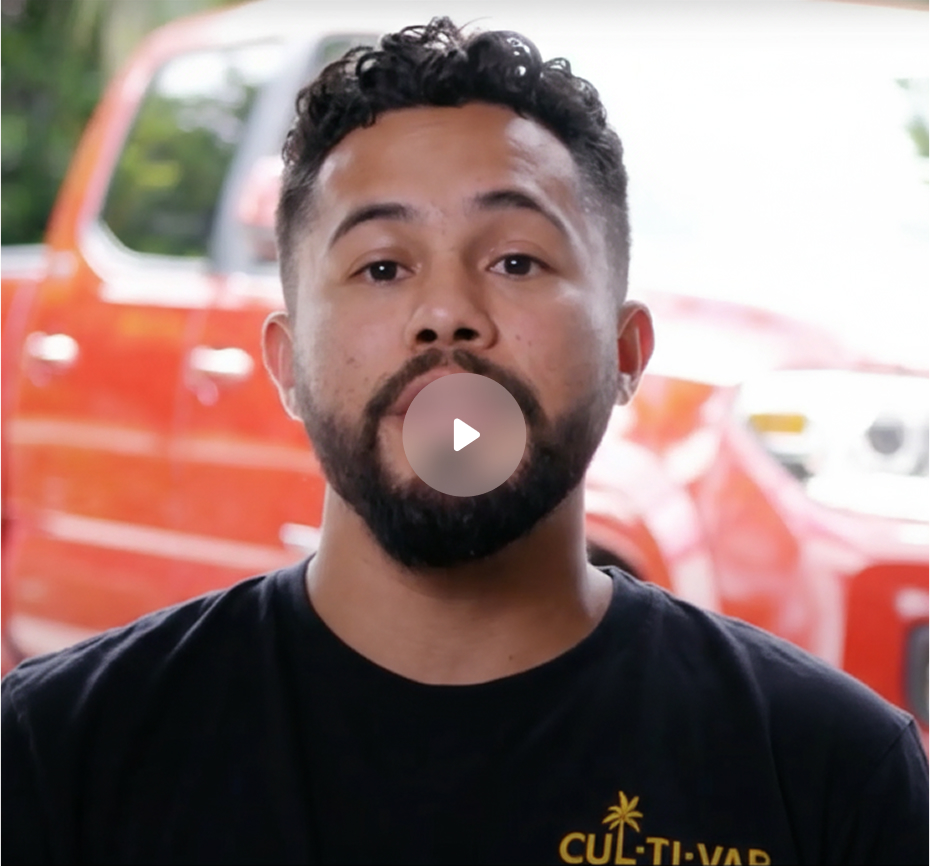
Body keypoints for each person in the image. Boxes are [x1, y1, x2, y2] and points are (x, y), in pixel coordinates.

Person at [3, 18, 926, 866]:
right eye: (382, 267)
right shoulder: (58, 756)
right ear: (287, 365)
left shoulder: (828, 775)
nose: (446, 313)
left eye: (516, 260)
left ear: (625, 351)